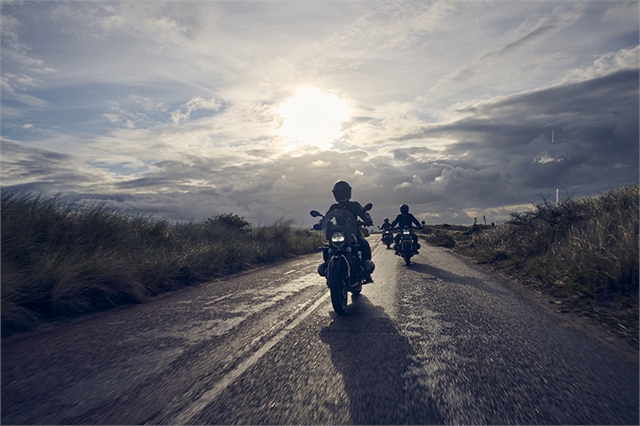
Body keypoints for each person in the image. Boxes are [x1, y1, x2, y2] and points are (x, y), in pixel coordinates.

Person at [318, 180, 374, 283]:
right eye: (339, 193)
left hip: (352, 234)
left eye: (343, 192)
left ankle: (366, 272)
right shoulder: (334, 207)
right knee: (328, 247)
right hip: (338, 234)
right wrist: (320, 223)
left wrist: (367, 220)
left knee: (364, 243)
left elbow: (363, 213)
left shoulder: (355, 205)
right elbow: (327, 216)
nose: (342, 195)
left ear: (348, 192)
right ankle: (327, 267)